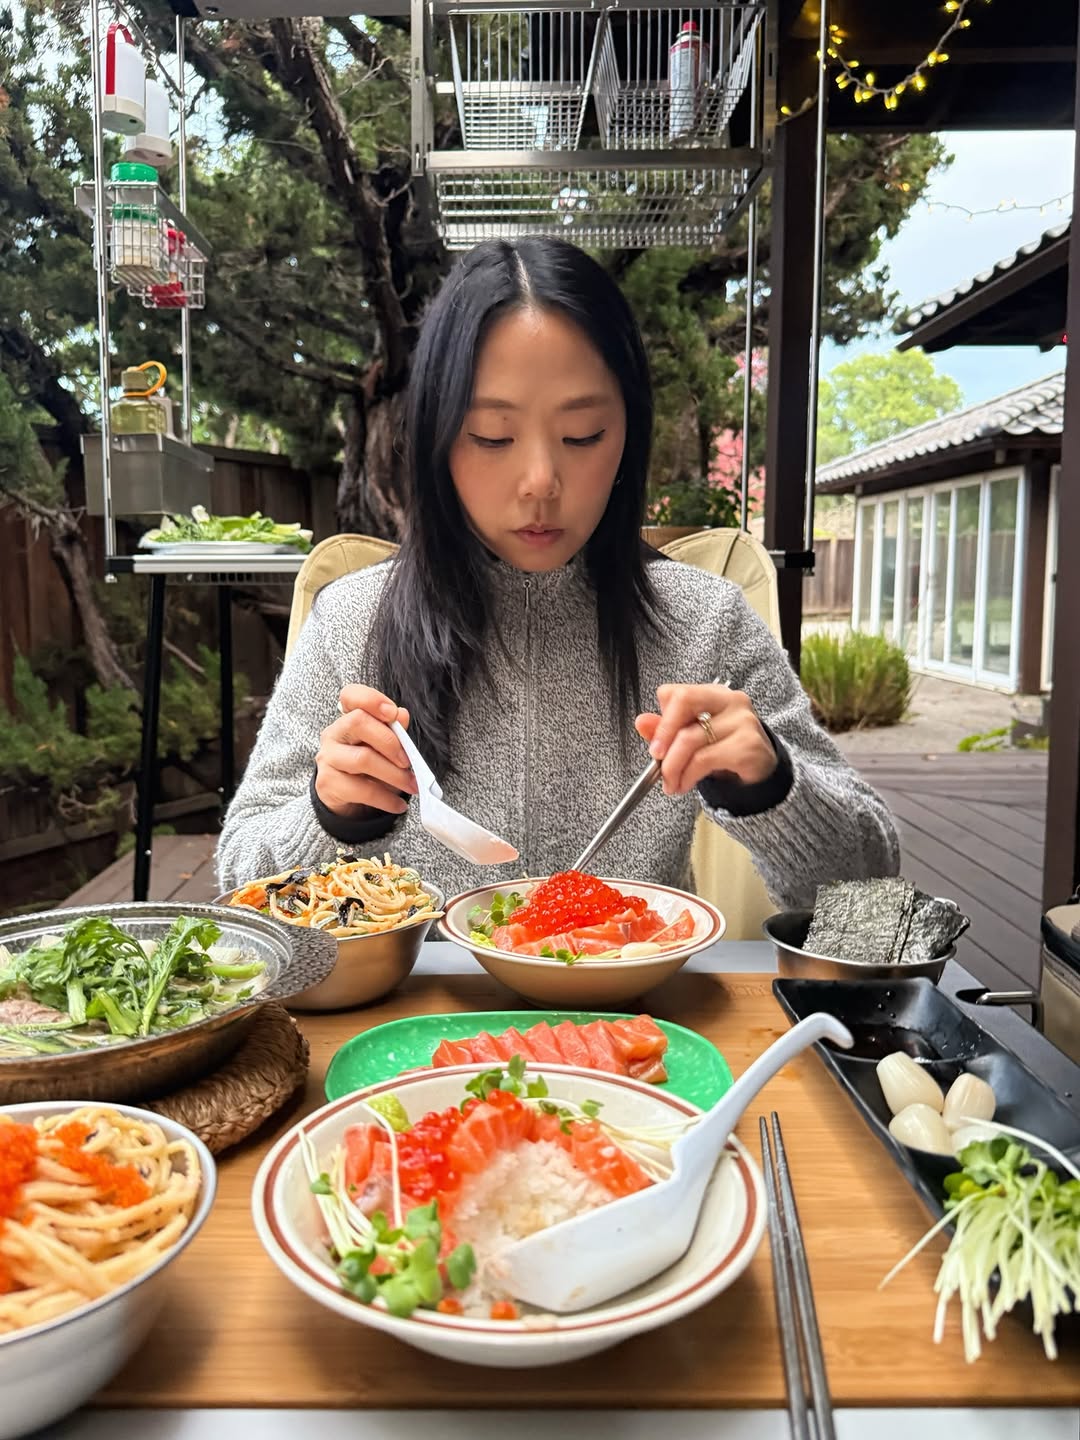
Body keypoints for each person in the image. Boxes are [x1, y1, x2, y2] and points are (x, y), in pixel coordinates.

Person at [216, 238, 899, 910]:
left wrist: (771, 785)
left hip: (639, 983)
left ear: (629, 432)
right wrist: (329, 814)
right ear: (434, 440)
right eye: (491, 436)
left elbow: (868, 881)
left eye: (583, 435)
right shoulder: (352, 620)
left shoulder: (705, 622)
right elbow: (238, 874)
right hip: (420, 988)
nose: (540, 482)